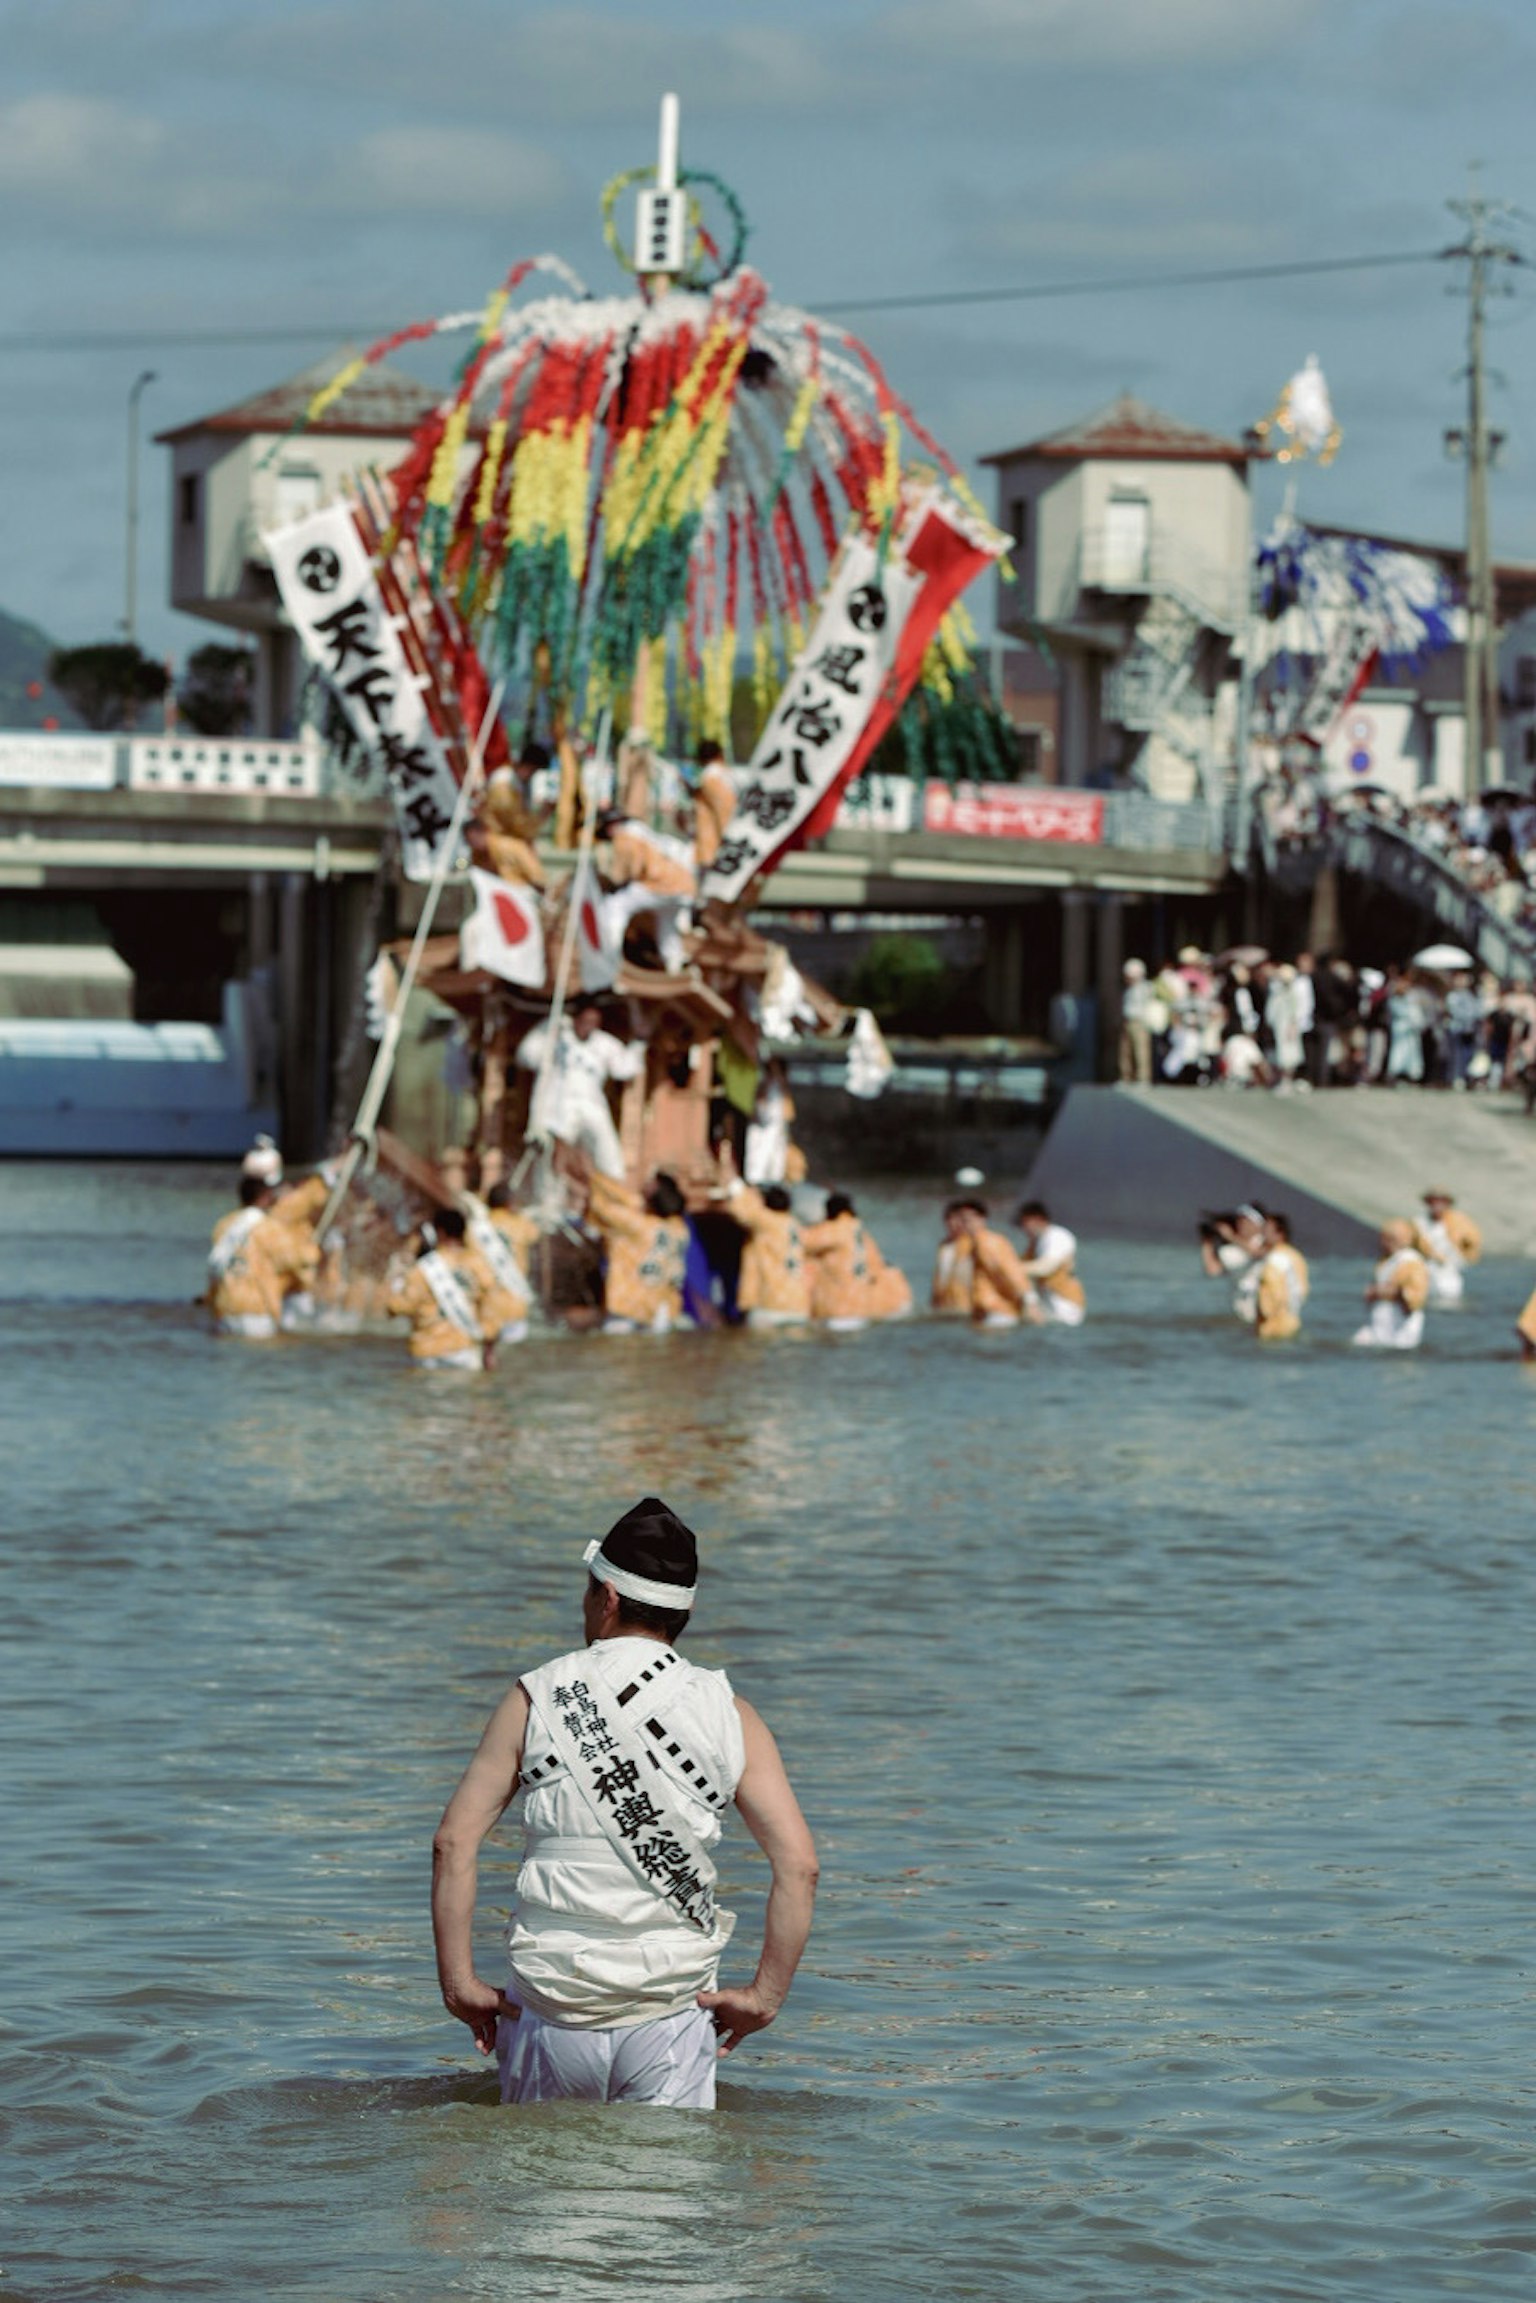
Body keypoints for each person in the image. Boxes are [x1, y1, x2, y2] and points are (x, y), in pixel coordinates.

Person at [430, 1497, 818, 2107]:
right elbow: (799, 1867)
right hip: (671, 2009)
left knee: (543, 2189)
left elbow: (453, 1843)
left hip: (550, 2008)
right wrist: (763, 1998)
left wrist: (459, 1985)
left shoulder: (536, 1698)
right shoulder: (731, 1714)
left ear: (606, 1598)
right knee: (663, 2194)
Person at [517, 998, 644, 1181]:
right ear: (575, 1019)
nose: (588, 1027)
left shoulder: (604, 1044)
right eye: (585, 1021)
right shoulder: (557, 1036)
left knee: (607, 1150)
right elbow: (526, 1056)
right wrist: (548, 1027)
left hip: (592, 1104)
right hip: (558, 1106)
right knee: (552, 1156)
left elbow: (625, 1068)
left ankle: (614, 1191)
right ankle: (547, 1199)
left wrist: (640, 1042)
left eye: (594, 1023)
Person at [206, 1173, 322, 1339]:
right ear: (263, 1197)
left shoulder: (225, 1224)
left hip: (224, 1308)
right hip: (256, 1310)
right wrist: (314, 1246)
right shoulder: (270, 1228)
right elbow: (298, 1261)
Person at [385, 1208, 495, 1370]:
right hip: (464, 1351)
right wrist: (489, 1349)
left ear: (439, 1232)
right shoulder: (479, 1265)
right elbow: (491, 1310)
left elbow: (397, 1307)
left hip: (428, 1353)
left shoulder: (422, 1270)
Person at [586, 1168, 690, 1333]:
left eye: (649, 1184)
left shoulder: (637, 1225)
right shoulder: (679, 1228)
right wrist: (597, 1177)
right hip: (663, 1310)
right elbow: (632, 1201)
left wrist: (589, 1178)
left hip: (628, 1310)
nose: (643, 1184)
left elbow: (599, 1207)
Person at [801, 1192, 912, 1328]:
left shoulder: (836, 1229)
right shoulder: (863, 1235)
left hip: (838, 1310)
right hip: (862, 1310)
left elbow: (798, 1242)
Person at [725, 1174, 811, 1326]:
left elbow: (740, 1211)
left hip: (770, 1303)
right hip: (798, 1305)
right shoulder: (795, 1224)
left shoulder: (767, 1221)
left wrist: (738, 1187)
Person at [463, 1181, 539, 1344]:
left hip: (487, 1305)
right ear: (510, 1203)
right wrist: (518, 1213)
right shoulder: (521, 1224)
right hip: (516, 1304)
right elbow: (535, 1234)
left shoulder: (475, 1228)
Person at [1352, 1220, 1430, 1350]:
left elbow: (1416, 1297)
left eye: (1387, 1239)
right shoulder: (1387, 1260)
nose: (1382, 1243)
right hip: (1381, 1320)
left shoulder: (1412, 1262)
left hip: (1400, 1325)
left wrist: (1384, 1292)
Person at [1013, 1201, 1086, 1325]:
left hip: (1065, 1304)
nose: (1023, 1228)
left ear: (1037, 1219)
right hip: (1047, 1302)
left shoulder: (1057, 1236)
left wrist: (1011, 1268)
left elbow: (1045, 1267)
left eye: (1024, 1223)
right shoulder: (1035, 1243)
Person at [1413, 1188, 1483, 1308]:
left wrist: (1467, 1245)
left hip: (1449, 1270)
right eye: (1433, 1201)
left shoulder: (1459, 1221)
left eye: (1441, 1201)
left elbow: (1473, 1242)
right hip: (1426, 1269)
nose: (1437, 1205)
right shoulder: (1419, 1222)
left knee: (1449, 1299)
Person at [1253, 1211, 1309, 1342]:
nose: (1262, 1234)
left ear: (1280, 1233)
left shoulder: (1275, 1258)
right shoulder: (1295, 1256)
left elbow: (1272, 1291)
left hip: (1274, 1325)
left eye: (1266, 1230)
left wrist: (1263, 1314)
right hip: (1293, 1320)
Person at [690, 739, 738, 874]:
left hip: (714, 846)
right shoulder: (723, 774)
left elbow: (725, 811)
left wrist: (729, 842)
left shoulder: (711, 777)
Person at [931, 1200, 975, 1317]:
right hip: (945, 1304)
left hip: (966, 1304)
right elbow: (939, 1277)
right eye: (951, 1219)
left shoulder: (972, 1243)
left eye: (960, 1220)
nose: (955, 1224)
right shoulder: (944, 1246)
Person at [1118, 959, 1155, 1085]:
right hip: (1127, 1021)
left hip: (1139, 1022)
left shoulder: (1145, 987)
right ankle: (1126, 1077)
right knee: (1125, 1052)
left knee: (1141, 1051)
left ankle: (1143, 1077)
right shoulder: (1129, 989)